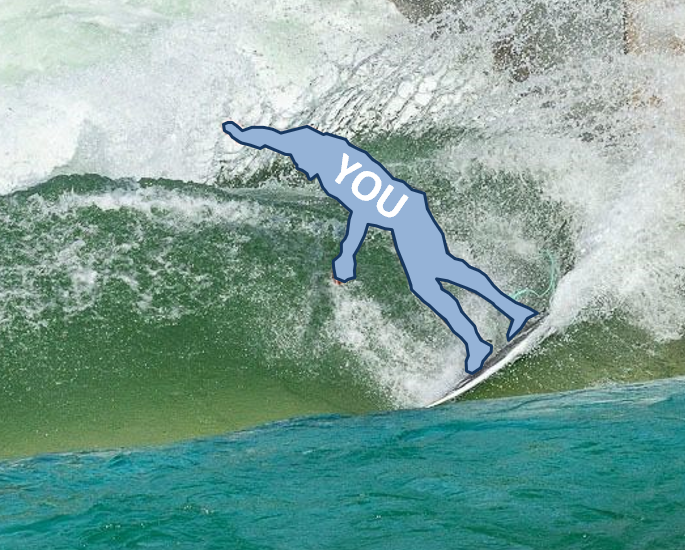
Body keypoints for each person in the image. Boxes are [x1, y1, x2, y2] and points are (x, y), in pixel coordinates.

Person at [224, 121, 537, 374]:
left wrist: (347, 255)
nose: (301, 168)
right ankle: (499, 322)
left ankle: (497, 326)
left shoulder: (339, 171)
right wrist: (243, 135)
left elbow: (362, 213)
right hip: (405, 216)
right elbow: (275, 139)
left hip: (408, 217)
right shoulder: (331, 154)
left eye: (301, 160)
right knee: (439, 276)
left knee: (438, 275)